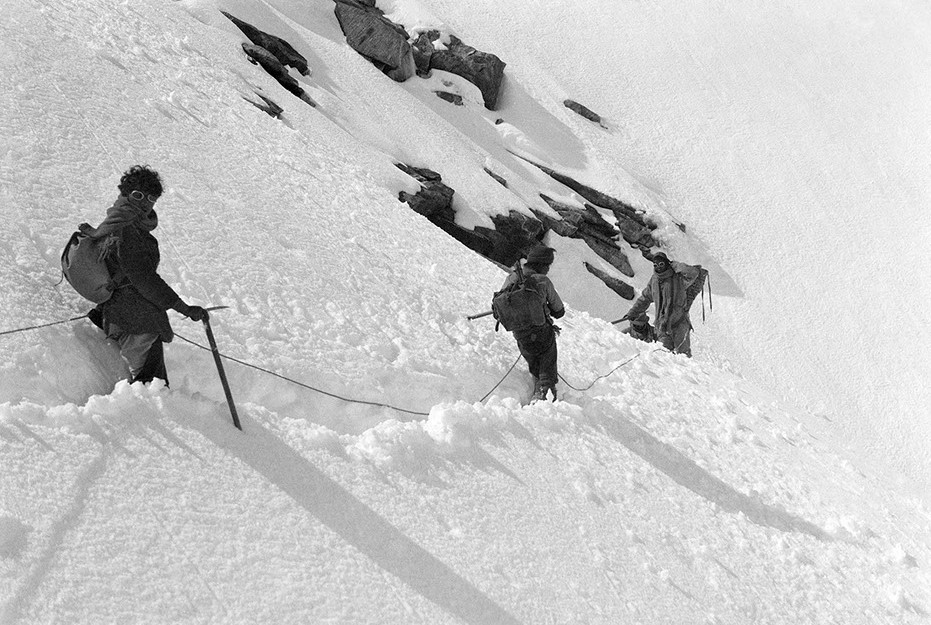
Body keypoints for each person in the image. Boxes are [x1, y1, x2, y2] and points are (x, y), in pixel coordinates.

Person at [86, 165, 208, 386]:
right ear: (125, 193)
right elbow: (144, 278)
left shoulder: (120, 223)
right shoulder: (126, 229)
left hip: (127, 314)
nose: (144, 203)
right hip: (136, 319)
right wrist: (183, 308)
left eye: (151, 198)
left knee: (151, 385)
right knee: (152, 386)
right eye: (138, 195)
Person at [498, 246, 565, 401]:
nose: (548, 269)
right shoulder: (543, 281)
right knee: (547, 357)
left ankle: (538, 385)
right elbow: (559, 310)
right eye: (548, 265)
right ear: (542, 264)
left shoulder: (512, 277)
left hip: (519, 332)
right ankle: (545, 392)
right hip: (541, 331)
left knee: (533, 357)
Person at [621, 252, 705, 357]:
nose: (658, 267)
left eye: (661, 264)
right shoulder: (654, 280)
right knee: (664, 355)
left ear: (666, 263)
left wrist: (675, 265)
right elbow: (645, 298)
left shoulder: (678, 278)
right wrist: (633, 312)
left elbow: (693, 273)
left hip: (680, 324)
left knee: (684, 356)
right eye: (655, 265)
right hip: (662, 326)